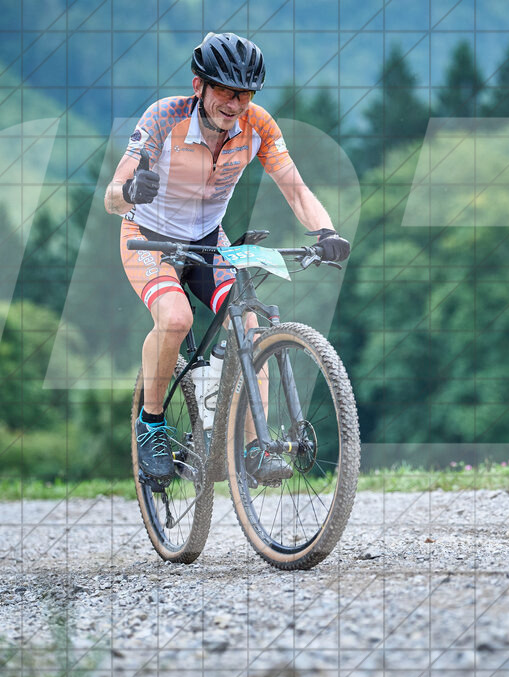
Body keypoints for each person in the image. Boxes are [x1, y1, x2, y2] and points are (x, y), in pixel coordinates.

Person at [104, 32, 350, 486]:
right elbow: (111, 197)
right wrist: (130, 191)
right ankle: (152, 424)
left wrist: (326, 231)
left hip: (206, 241)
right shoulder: (164, 118)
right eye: (224, 90)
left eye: (244, 93)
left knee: (249, 327)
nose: (234, 103)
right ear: (199, 86)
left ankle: (256, 447)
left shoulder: (259, 126)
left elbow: (294, 187)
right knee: (176, 320)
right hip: (148, 239)